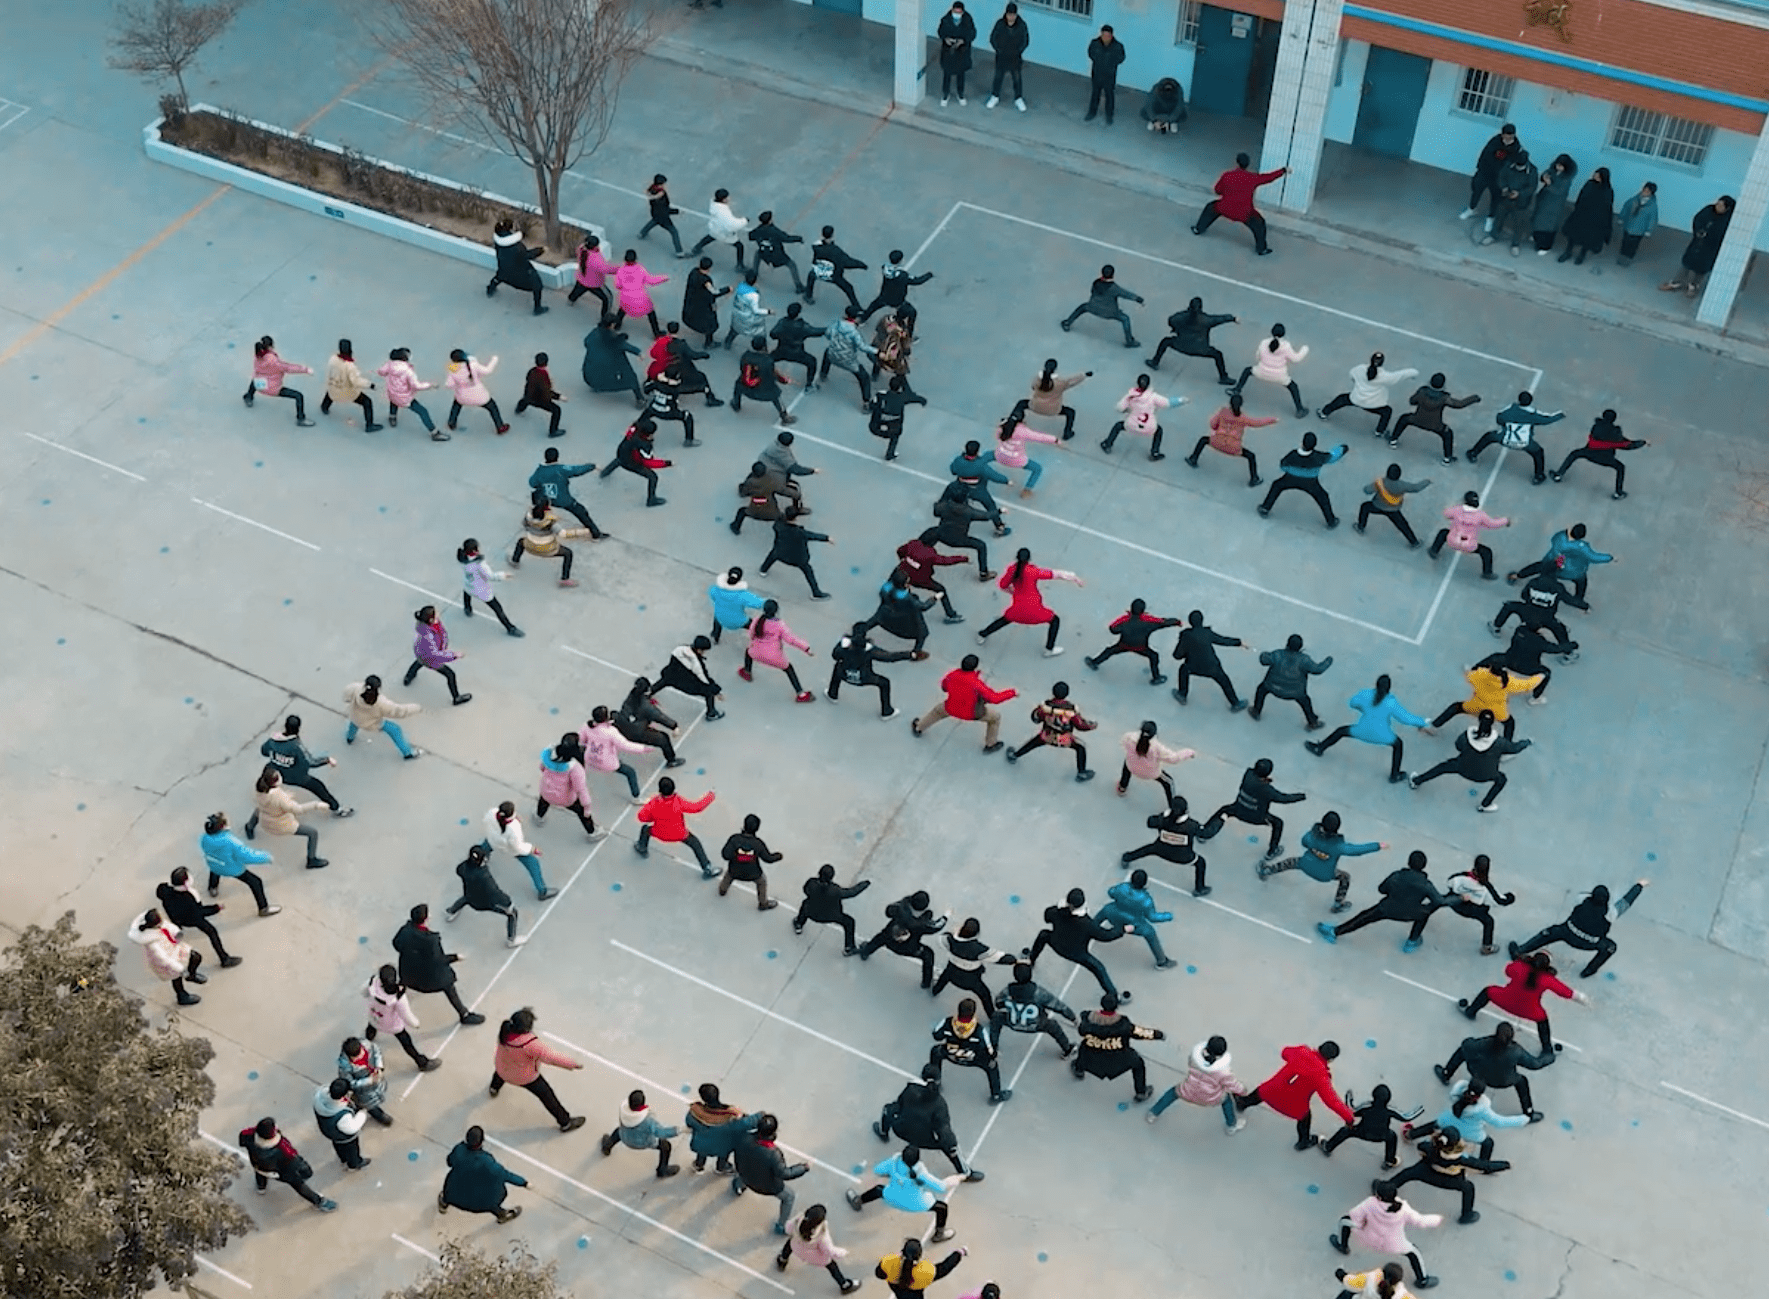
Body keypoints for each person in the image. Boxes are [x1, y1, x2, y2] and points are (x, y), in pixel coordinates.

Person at [1510, 879, 1649, 977]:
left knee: (1548, 933)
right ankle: (1589, 970)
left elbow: (1583, 895)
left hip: (1567, 932)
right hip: (1591, 943)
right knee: (1610, 947)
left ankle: (1520, 950)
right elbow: (1625, 902)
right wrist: (1639, 886)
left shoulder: (1581, 899)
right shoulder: (1610, 913)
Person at [1460, 951, 1589, 1055]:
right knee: (1542, 1019)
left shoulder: (1519, 966)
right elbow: (1566, 993)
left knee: (1488, 991)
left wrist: (1520, 961)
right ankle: (1547, 1048)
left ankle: (1471, 1011)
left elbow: (1507, 970)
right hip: (1529, 1010)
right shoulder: (1547, 979)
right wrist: (1583, 999)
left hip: (1505, 1000)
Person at [1307, 675, 1430, 784]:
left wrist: (1364, 709)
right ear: (1389, 688)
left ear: (1376, 685)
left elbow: (1353, 702)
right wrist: (1424, 722)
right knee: (1398, 744)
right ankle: (1394, 775)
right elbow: (1405, 718)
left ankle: (1320, 748)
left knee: (1341, 731)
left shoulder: (1367, 694)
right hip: (1383, 735)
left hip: (1361, 731)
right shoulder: (1391, 702)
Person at [1233, 1041, 1355, 1149]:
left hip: (1270, 1091)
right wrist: (1349, 1118)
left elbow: (1284, 1052)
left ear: (1319, 1047)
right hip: (1293, 1106)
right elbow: (1331, 1101)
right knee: (1305, 1117)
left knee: (1261, 1092)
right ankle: (1304, 1141)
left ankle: (1242, 1103)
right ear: (1331, 1059)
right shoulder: (1322, 1076)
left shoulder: (1302, 1051)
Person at [1319, 851, 1446, 951]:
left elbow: (1382, 889)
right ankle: (1412, 941)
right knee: (1424, 914)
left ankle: (1335, 932)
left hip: (1388, 908)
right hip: (1412, 913)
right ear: (1424, 866)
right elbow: (1439, 900)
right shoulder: (1426, 884)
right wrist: (1427, 908)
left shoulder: (1397, 876)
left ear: (1408, 863)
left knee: (1364, 917)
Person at [1260, 810, 1385, 912]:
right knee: (1345, 878)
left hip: (1305, 864)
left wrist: (1314, 831)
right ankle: (1338, 904)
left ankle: (1266, 870)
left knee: (1291, 862)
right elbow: (1358, 850)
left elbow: (1304, 841)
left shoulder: (1312, 836)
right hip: (1326, 875)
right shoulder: (1339, 846)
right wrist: (1378, 845)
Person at [1409, 709, 1530, 812]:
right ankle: (1485, 805)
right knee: (1501, 779)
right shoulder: (1500, 742)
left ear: (1479, 721)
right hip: (1487, 775)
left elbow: (1458, 746)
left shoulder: (1468, 734)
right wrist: (1526, 742)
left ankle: (1417, 781)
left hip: (1462, 767)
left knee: (1443, 767)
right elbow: (1514, 748)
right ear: (1493, 723)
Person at [1434, 1020, 1555, 1122]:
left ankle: (1446, 1073)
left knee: (1462, 1052)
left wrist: (1470, 1040)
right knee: (1522, 1081)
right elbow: (1534, 1064)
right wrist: (1548, 1058)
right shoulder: (1516, 1051)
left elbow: (1467, 1045)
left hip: (1477, 1074)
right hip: (1503, 1081)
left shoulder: (1484, 1043)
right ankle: (1528, 1112)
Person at [489, 1006, 586, 1130]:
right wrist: (572, 1064)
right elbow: (551, 1057)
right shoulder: (530, 1044)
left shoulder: (505, 1031)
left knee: (499, 1075)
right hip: (524, 1077)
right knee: (547, 1096)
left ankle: (494, 1088)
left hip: (502, 1069)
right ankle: (565, 1122)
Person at [1026, 887, 1132, 1000]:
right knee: (1099, 968)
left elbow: (1047, 916)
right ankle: (1113, 995)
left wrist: (1058, 907)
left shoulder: (1056, 912)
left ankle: (1030, 959)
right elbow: (1105, 936)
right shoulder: (1088, 924)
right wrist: (1123, 929)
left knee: (1044, 934)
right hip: (1077, 954)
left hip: (1056, 944)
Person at [1332, 1182, 1442, 1290]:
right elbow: (1420, 1221)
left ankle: (1343, 1245)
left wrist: (1360, 1224)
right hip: (1394, 1244)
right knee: (1414, 1253)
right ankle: (1422, 1280)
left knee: (1344, 1221)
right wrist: (1437, 1219)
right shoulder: (1403, 1209)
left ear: (1379, 1197)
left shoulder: (1371, 1203)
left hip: (1369, 1237)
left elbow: (1354, 1215)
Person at [1388, 1127, 1508, 1224]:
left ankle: (1387, 1187)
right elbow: (1483, 1165)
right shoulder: (1461, 1158)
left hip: (1426, 1171)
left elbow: (1421, 1146)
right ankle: (1467, 1214)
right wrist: (1504, 1165)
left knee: (1407, 1173)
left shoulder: (1430, 1147)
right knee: (1468, 1188)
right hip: (1450, 1179)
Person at [977, 548, 1082, 656]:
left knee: (1004, 620)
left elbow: (1002, 585)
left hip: (1017, 611)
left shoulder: (1012, 570)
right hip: (1035, 610)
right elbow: (1055, 574)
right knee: (1055, 620)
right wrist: (1073, 577)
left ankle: (982, 634)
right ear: (1029, 559)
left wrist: (1012, 592)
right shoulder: (1032, 571)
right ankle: (1049, 649)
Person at [250, 715, 350, 827]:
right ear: (298, 728)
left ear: (285, 726)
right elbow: (311, 762)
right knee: (318, 787)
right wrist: (327, 760)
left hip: (276, 772)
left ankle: (252, 822)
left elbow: (264, 751)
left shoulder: (273, 741)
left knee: (266, 798)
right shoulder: (296, 746)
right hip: (296, 776)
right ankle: (337, 809)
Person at [393, 903, 484, 1025]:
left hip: (408, 972)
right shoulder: (431, 940)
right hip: (427, 979)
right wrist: (455, 957)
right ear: (425, 920)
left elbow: (396, 943)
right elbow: (438, 960)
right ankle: (464, 1014)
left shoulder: (406, 930)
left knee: (403, 982)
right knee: (449, 985)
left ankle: (397, 993)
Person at [851, 1140, 966, 1235]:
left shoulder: (893, 1163)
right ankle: (939, 1234)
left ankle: (858, 1201)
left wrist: (892, 1174)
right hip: (917, 1205)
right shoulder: (921, 1173)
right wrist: (958, 1178)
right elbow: (941, 1187)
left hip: (891, 1198)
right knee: (942, 1208)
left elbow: (877, 1170)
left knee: (878, 1190)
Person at [1205, 757, 1304, 859]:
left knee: (1223, 811)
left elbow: (1255, 782)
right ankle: (1272, 851)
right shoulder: (1267, 790)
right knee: (1278, 823)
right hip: (1257, 817)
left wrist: (1264, 781)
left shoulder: (1248, 774)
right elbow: (1283, 798)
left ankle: (1205, 833)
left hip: (1237, 809)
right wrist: (1300, 796)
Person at [912, 653, 1015, 751]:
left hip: (950, 707)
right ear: (975, 667)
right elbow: (994, 698)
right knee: (995, 718)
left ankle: (918, 727)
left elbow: (944, 687)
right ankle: (990, 744)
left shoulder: (953, 674)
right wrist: (1012, 692)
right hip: (972, 713)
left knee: (936, 712)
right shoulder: (977, 684)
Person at [1070, 993, 1164, 1101]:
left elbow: (1081, 1031)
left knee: (1084, 1048)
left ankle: (1079, 1070)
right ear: (1116, 1007)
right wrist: (1158, 1035)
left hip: (1092, 1057)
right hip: (1117, 1059)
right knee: (1138, 1062)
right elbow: (1140, 1033)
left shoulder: (1087, 1020)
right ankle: (1141, 1092)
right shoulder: (1123, 1025)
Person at [1147, 1034, 1246, 1130]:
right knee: (1227, 1101)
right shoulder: (1224, 1072)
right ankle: (1231, 1125)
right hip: (1211, 1097)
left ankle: (1153, 1113)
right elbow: (1234, 1086)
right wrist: (1243, 1090)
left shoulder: (1195, 1058)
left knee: (1172, 1093)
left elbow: (1190, 1063)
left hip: (1187, 1090)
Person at [1194, 153, 1286, 255]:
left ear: (1237, 162)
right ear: (1248, 164)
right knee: (1260, 224)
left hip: (1224, 207)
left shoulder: (1227, 175)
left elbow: (1217, 190)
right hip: (1244, 213)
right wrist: (1283, 171)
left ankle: (1198, 229)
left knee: (1210, 208)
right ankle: (1261, 249)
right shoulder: (1252, 178)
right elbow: (1269, 178)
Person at [1122, 795, 1215, 897]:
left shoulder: (1163, 819)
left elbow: (1150, 822)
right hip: (1183, 857)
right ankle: (1199, 888)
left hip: (1160, 849)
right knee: (1200, 862)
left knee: (1147, 849)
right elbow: (1205, 833)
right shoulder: (1191, 825)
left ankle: (1127, 858)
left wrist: (1161, 816)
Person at [731, 1113, 809, 1235]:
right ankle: (781, 1226)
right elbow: (785, 1173)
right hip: (767, 1187)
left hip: (744, 1174)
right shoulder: (774, 1154)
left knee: (744, 1174)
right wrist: (803, 1168)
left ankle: (738, 1186)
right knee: (789, 1197)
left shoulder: (744, 1138)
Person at [1464, 389, 1564, 482]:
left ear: (1519, 400)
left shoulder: (1511, 409)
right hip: (1524, 444)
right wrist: (1560, 415)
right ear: (1530, 401)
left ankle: (1473, 453)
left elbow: (1499, 418)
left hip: (1505, 439)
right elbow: (1547, 419)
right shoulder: (1533, 415)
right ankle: (1539, 476)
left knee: (1489, 437)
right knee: (1538, 452)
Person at [1005, 680, 1097, 780]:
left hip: (1046, 735)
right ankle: (1081, 772)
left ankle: (1014, 755)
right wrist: (1092, 725)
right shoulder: (1071, 710)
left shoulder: (1046, 707)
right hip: (1064, 739)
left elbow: (1035, 718)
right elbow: (1081, 726)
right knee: (1080, 747)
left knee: (1033, 742)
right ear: (1066, 694)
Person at [239, 1117, 335, 1212]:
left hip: (258, 1166)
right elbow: (295, 1161)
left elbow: (242, 1141)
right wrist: (306, 1171)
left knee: (260, 1173)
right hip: (280, 1171)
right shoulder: (283, 1149)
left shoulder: (247, 1135)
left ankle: (261, 1188)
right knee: (298, 1184)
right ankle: (319, 1202)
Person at [1551, 409, 1649, 499]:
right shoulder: (1615, 432)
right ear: (1614, 419)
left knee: (1574, 454)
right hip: (1606, 458)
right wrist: (1641, 442)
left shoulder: (1596, 426)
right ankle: (1618, 492)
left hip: (1589, 453)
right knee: (1620, 468)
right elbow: (1626, 445)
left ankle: (1558, 475)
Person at [1508, 522, 1612, 606]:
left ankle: (1517, 576)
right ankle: (1578, 600)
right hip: (1573, 572)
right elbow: (1594, 557)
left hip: (1552, 566)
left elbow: (1554, 539)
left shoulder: (1560, 538)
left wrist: (1567, 533)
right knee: (1581, 583)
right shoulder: (1583, 548)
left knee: (1536, 567)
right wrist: (1610, 558)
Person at [859, 890, 951, 985]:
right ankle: (926, 982)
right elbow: (936, 926)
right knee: (928, 954)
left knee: (880, 938)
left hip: (889, 939)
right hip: (909, 948)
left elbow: (888, 911)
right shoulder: (922, 924)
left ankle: (865, 951)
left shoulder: (899, 908)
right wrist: (945, 916)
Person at [1431, 662, 1540, 741]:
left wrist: (1469, 671)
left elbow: (1470, 675)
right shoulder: (1509, 682)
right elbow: (1527, 685)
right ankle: (1506, 751)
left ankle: (1434, 726)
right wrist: (1540, 676)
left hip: (1476, 706)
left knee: (1456, 708)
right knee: (1509, 724)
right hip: (1497, 711)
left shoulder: (1481, 674)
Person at [438, 1125, 526, 1223]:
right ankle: (501, 1215)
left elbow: (449, 1162)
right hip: (480, 1204)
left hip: (454, 1195)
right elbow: (506, 1175)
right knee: (491, 1200)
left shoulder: (459, 1150)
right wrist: (524, 1183)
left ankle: (444, 1204)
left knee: (449, 1190)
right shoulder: (488, 1162)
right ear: (481, 1141)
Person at [444, 843, 525, 948]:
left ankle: (451, 911)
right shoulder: (484, 876)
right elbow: (495, 892)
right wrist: (507, 903)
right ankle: (511, 940)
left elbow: (459, 870)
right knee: (512, 913)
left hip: (470, 896)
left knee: (465, 899)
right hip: (484, 903)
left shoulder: (463, 867)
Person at [929, 999, 1010, 1103]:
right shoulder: (979, 1030)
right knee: (992, 1066)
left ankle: (935, 1083)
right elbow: (990, 1051)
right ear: (973, 1013)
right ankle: (996, 1095)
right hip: (974, 1058)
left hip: (951, 1055)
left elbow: (936, 1035)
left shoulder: (947, 1022)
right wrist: (993, 1055)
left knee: (935, 1051)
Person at [157, 868, 240, 968]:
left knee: (176, 935)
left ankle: (175, 940)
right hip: (191, 918)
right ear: (185, 882)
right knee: (212, 931)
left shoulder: (166, 892)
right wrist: (216, 908)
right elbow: (200, 912)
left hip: (176, 918)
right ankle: (224, 958)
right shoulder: (189, 897)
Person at [1258, 432, 1347, 526]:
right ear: (1314, 445)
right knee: (1323, 497)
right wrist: (1343, 448)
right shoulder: (1319, 457)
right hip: (1311, 482)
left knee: (1276, 486)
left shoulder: (1292, 454)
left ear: (1302, 443)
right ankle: (1331, 521)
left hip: (1289, 479)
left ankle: (1265, 508)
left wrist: (1291, 471)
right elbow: (1333, 457)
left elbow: (1283, 465)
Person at [363, 963, 439, 1072]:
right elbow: (406, 1015)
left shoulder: (372, 984)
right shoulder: (398, 997)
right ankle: (421, 1062)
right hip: (391, 1024)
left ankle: (369, 1036)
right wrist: (416, 1024)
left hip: (374, 1016)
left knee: (372, 1026)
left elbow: (363, 992)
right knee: (406, 1042)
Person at [199, 810, 280, 914]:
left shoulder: (205, 838)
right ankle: (263, 908)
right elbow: (248, 856)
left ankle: (212, 887)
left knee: (215, 869)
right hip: (232, 868)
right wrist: (266, 857)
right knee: (256, 882)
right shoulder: (231, 841)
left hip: (214, 864)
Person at [1318, 353, 1418, 435]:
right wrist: (1414, 373)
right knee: (1387, 412)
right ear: (1382, 363)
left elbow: (1351, 376)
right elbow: (1400, 375)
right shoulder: (1385, 377)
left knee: (1341, 399)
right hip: (1374, 404)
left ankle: (1324, 413)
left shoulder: (1360, 369)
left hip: (1356, 398)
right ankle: (1379, 431)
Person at [930, 920, 1015, 1016]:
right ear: (977, 934)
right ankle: (991, 1015)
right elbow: (1002, 958)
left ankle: (935, 991)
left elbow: (941, 939)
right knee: (985, 995)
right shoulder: (979, 950)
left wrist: (953, 933)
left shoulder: (950, 941)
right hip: (971, 982)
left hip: (951, 974)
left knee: (943, 978)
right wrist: (1015, 960)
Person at [1319, 1083, 1416, 1166]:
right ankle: (1389, 1161)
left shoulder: (1367, 1106)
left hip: (1362, 1131)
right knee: (1392, 1137)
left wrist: (1349, 1097)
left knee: (1345, 1131)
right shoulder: (1390, 1110)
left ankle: (1328, 1146)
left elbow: (1352, 1110)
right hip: (1381, 1135)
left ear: (1373, 1095)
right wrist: (1420, 1110)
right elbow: (1406, 1117)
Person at [1386, 375, 1478, 463]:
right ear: (1443, 385)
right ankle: (1447, 459)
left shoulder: (1422, 391)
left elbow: (1412, 401)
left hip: (1416, 419)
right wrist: (1473, 398)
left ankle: (1393, 440)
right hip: (1436, 426)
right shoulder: (1444, 398)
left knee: (1403, 419)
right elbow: (1459, 404)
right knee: (1448, 434)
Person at [249, 767, 328, 869]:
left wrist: (286, 796)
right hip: (280, 824)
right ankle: (311, 860)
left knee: (258, 810)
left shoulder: (260, 788)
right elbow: (298, 809)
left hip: (264, 818)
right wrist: (316, 805)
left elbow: (273, 800)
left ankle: (249, 827)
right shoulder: (279, 797)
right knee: (312, 833)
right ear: (276, 782)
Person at [1170, 610, 1251, 709]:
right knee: (1224, 681)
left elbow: (1177, 655)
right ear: (1202, 621)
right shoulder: (1207, 633)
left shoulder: (1185, 635)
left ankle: (1182, 695)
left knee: (1183, 670)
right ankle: (1235, 703)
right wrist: (1239, 642)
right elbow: (1223, 640)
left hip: (1193, 666)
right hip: (1212, 666)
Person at [830, 621, 914, 716]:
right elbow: (890, 657)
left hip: (845, 675)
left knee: (837, 667)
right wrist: (908, 654)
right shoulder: (870, 650)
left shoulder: (845, 645)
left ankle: (832, 694)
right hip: (864, 678)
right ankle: (887, 711)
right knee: (884, 683)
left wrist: (841, 645)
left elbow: (835, 656)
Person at [1250, 632, 1333, 728]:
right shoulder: (1304, 660)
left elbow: (1263, 660)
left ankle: (1256, 711)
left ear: (1287, 644)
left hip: (1272, 686)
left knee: (1261, 690)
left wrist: (1264, 654)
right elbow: (1318, 670)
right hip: (1295, 692)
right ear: (1300, 647)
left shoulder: (1278, 654)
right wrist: (1328, 661)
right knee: (1306, 702)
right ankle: (1313, 722)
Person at [1097, 869, 1176, 969]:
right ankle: (1162, 961)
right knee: (1150, 933)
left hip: (1114, 915)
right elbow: (1152, 917)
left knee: (1105, 910)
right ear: (1144, 883)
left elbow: (1111, 892)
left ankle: (1090, 930)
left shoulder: (1122, 887)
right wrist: (1168, 916)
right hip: (1133, 925)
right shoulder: (1146, 900)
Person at [994, 961, 1077, 1056]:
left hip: (1013, 1023)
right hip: (1036, 1025)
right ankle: (1067, 1049)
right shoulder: (1038, 992)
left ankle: (993, 1047)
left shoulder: (1008, 990)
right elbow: (1057, 1006)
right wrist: (1072, 1017)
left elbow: (998, 1003)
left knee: (996, 1017)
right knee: (1054, 1026)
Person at [1087, 600, 1181, 682]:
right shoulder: (1149, 621)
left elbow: (1113, 629)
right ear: (1143, 611)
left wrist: (1123, 619)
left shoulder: (1125, 620)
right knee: (1154, 656)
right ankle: (1156, 677)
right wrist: (1177, 622)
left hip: (1124, 644)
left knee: (1110, 650)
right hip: (1141, 647)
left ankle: (1094, 662)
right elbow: (1163, 622)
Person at [741, 599, 816, 702]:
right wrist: (806, 648)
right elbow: (791, 640)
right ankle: (801, 694)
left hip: (756, 653)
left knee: (748, 652)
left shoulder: (757, 620)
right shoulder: (780, 625)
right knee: (789, 669)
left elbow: (751, 634)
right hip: (774, 657)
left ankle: (747, 672)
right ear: (776, 611)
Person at [635, 777, 716, 872]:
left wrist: (654, 817)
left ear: (660, 790)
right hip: (680, 834)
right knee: (695, 844)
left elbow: (641, 817)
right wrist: (710, 796)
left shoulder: (654, 803)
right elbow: (697, 807)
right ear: (673, 789)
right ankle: (706, 867)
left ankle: (642, 847)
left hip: (659, 832)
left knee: (645, 829)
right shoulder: (678, 802)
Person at [128, 908, 205, 1007]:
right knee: (176, 977)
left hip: (173, 947)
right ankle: (182, 996)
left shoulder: (156, 925)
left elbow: (168, 926)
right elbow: (164, 959)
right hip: (166, 956)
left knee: (196, 957)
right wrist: (180, 969)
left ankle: (191, 975)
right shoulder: (151, 942)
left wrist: (177, 933)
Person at [778, 1204, 862, 1293]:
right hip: (814, 1256)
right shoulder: (821, 1233)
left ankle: (782, 1260)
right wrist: (843, 1252)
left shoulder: (797, 1221)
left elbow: (788, 1228)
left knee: (789, 1243)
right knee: (832, 1266)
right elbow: (829, 1250)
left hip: (796, 1247)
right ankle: (844, 1285)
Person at [511, 498, 594, 588]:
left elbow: (524, 526)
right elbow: (563, 534)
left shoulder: (527, 518)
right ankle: (564, 579)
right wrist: (582, 532)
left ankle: (515, 561)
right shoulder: (550, 522)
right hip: (548, 549)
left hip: (530, 546)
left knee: (520, 542)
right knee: (568, 553)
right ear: (547, 508)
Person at [1661, 195, 1734, 297]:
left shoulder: (1727, 220)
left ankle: (1693, 287)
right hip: (1697, 243)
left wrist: (1710, 236)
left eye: (1721, 205)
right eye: (1718, 203)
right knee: (1687, 265)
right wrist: (1699, 231)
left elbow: (1723, 234)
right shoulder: (1709, 210)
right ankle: (1676, 283)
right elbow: (1698, 219)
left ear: (1727, 208)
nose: (1717, 206)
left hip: (1710, 248)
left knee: (1700, 270)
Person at [1441, 855, 1514, 955]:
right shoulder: (1486, 888)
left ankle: (1430, 906)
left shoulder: (1461, 877)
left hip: (1455, 904)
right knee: (1489, 921)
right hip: (1473, 910)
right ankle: (1486, 947)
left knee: (1443, 899)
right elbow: (1500, 901)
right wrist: (1510, 897)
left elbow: (1449, 883)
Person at [1229, 324, 1309, 417]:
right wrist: (1304, 349)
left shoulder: (1264, 342)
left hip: (1261, 371)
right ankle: (1299, 409)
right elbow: (1296, 359)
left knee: (1247, 371)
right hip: (1280, 376)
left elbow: (1258, 356)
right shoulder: (1286, 346)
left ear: (1272, 332)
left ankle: (1237, 390)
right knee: (1293, 387)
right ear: (1283, 334)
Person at [1427, 490, 1509, 579]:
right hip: (1469, 546)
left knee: (1443, 533)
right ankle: (1487, 573)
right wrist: (1506, 520)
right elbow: (1493, 524)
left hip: (1452, 541)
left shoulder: (1457, 510)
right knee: (1487, 552)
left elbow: (1446, 513)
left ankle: (1433, 551)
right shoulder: (1480, 515)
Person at [599, 1090, 681, 1177]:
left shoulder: (623, 1110)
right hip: (643, 1143)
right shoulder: (648, 1120)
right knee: (666, 1146)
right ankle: (662, 1170)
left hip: (624, 1136)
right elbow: (661, 1133)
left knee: (617, 1131)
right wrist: (677, 1130)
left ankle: (606, 1147)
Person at [1149, 297, 1235, 380]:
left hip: (1180, 345)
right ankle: (1223, 377)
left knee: (1165, 341)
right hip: (1201, 349)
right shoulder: (1206, 320)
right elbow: (1221, 319)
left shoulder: (1182, 317)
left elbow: (1171, 320)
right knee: (1218, 355)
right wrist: (1233, 318)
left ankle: (1155, 361)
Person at [529, 446, 605, 538]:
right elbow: (577, 470)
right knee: (581, 512)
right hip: (563, 499)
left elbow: (532, 483)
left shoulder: (539, 471)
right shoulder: (561, 469)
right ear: (557, 457)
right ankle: (596, 534)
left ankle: (539, 520)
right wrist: (592, 466)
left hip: (547, 500)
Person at [535, 737, 600, 843]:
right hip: (565, 799)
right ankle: (592, 833)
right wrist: (587, 808)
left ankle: (538, 818)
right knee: (582, 813)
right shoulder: (575, 768)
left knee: (544, 801)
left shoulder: (548, 758)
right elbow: (581, 790)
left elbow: (542, 768)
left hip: (546, 791)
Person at [1060, 264, 1143, 347]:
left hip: (1092, 307)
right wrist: (1138, 299)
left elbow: (1092, 292)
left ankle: (1067, 323)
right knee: (1125, 319)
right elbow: (1126, 294)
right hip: (1111, 312)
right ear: (1112, 275)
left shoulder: (1096, 282)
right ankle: (1129, 341)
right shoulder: (1114, 288)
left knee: (1082, 307)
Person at [580, 704, 650, 803]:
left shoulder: (586, 726)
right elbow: (625, 745)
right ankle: (636, 797)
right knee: (631, 772)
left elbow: (582, 741)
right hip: (607, 763)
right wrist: (643, 748)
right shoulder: (611, 731)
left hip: (590, 758)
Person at [686, 1082, 759, 1174]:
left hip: (702, 1145)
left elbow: (689, 1123)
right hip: (722, 1146)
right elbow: (746, 1123)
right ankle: (721, 1167)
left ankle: (699, 1165)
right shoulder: (730, 1117)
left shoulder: (694, 1113)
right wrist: (758, 1116)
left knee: (702, 1153)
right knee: (724, 1152)